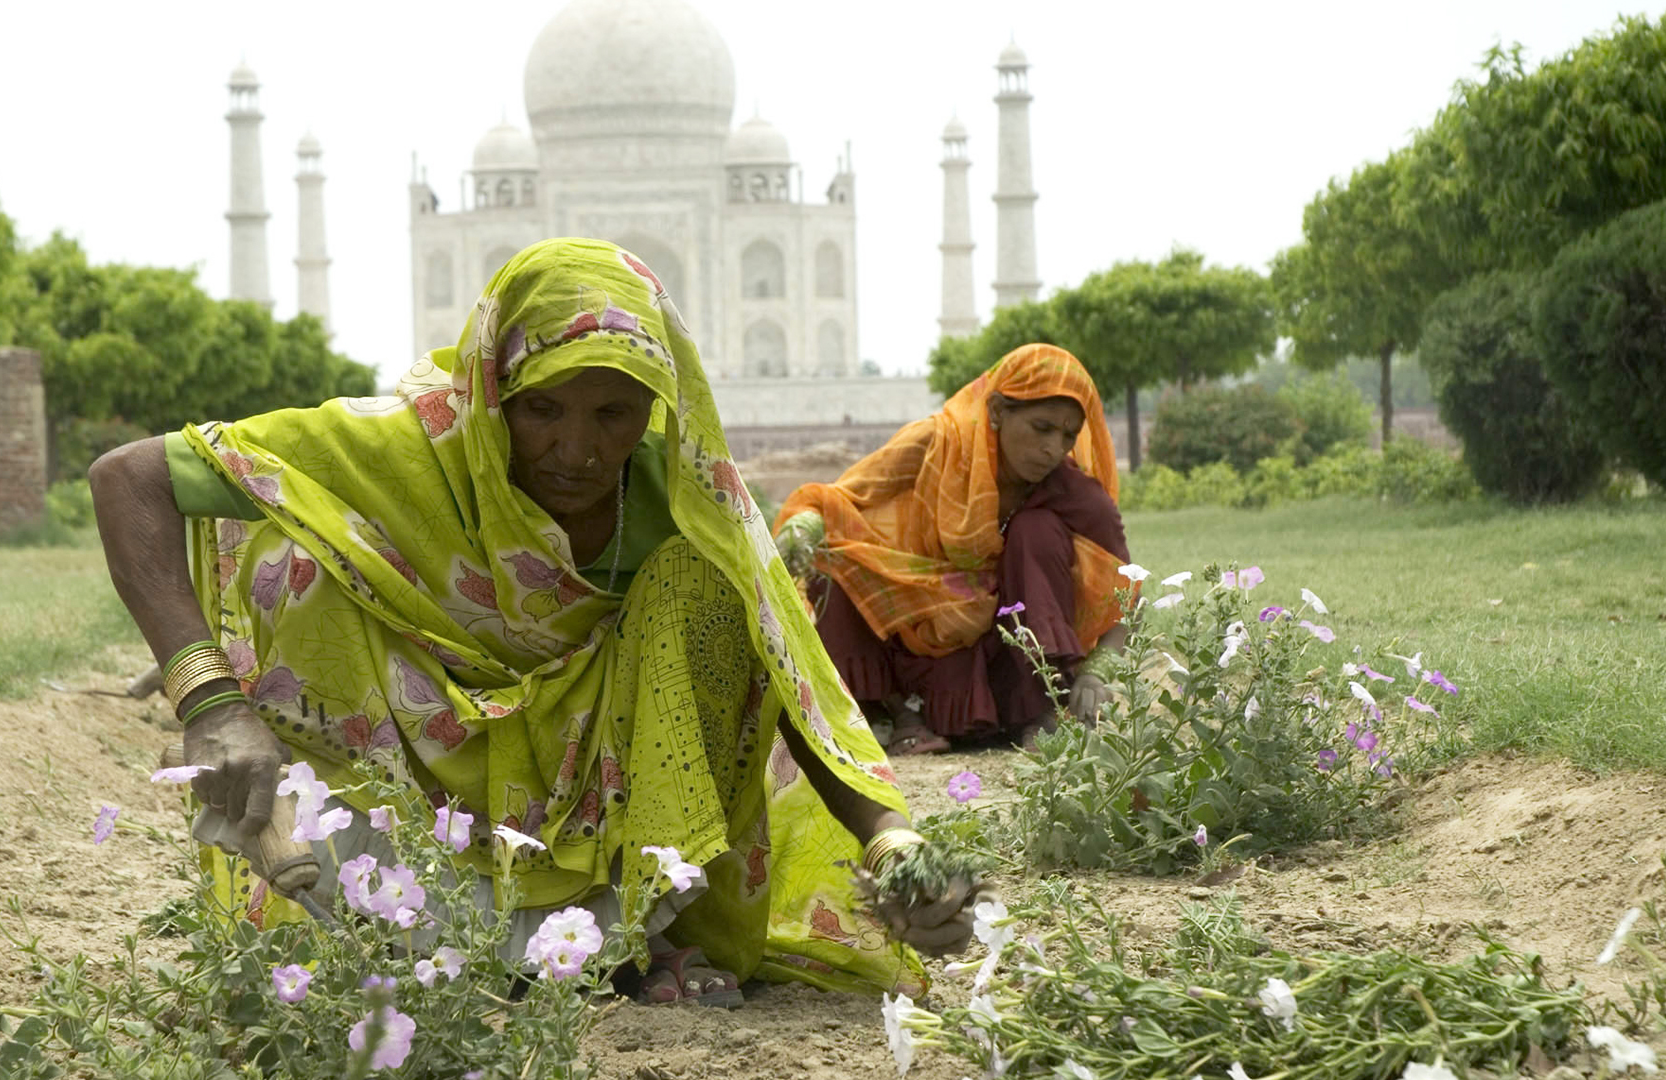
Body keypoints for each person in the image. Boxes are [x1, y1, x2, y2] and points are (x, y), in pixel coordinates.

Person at [88, 238, 974, 1006]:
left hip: (596, 781)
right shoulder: (406, 447)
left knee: (712, 591)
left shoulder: (683, 497)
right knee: (302, 555)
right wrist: (211, 701)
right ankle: (383, 922)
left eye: (613, 414)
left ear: (656, 409)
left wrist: (891, 841)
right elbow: (127, 476)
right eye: (542, 409)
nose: (579, 451)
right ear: (493, 389)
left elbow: (797, 674)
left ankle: (637, 933)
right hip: (424, 772)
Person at [774, 344, 1133, 755]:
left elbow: (1130, 595)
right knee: (834, 549)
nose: (1054, 448)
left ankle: (1041, 716)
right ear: (997, 410)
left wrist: (1095, 674)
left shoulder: (1073, 492)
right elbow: (843, 499)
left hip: (1007, 659)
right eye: (1041, 427)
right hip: (918, 638)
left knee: (1038, 529)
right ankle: (892, 714)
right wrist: (801, 530)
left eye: (1068, 435)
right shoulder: (939, 443)